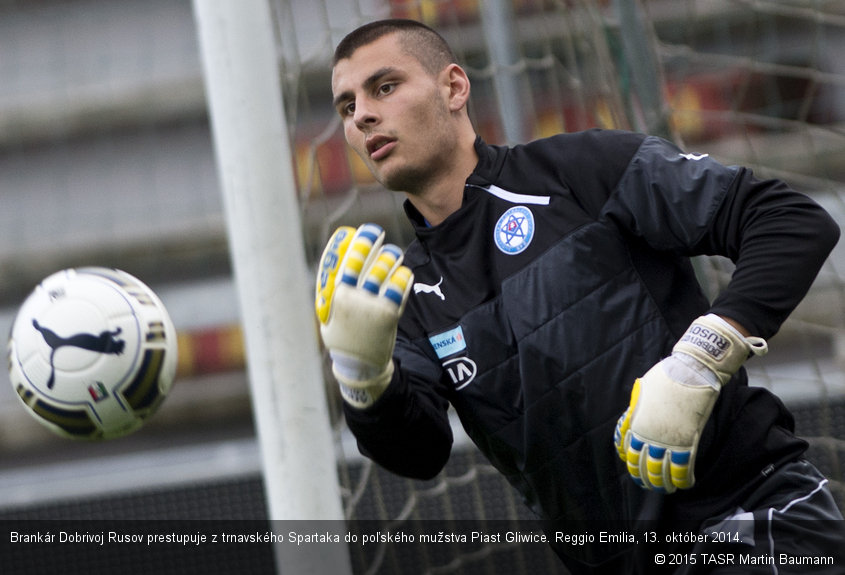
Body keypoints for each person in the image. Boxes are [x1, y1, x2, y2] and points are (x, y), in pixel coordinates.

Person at [315, 18, 844, 573]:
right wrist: (365, 382)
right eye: (346, 106)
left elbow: (789, 221)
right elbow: (419, 454)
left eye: (384, 87)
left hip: (752, 520)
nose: (363, 115)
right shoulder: (404, 291)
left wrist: (701, 359)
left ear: (453, 87)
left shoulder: (581, 171)